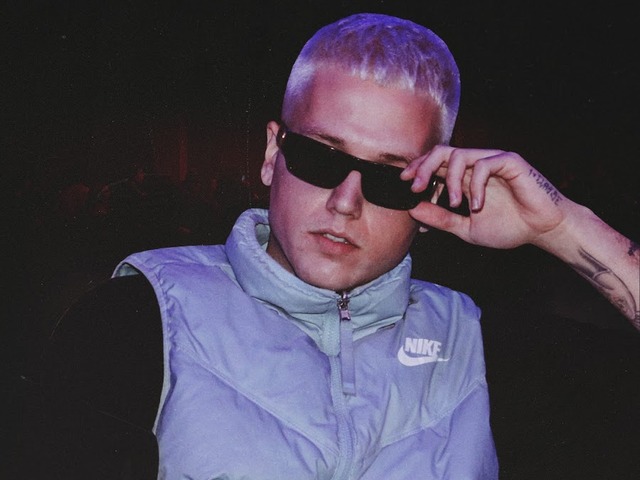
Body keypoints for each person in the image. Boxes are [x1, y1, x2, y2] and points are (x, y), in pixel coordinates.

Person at [36, 12, 639, 480]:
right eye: (321, 158)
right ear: (272, 154)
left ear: (432, 192)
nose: (346, 201)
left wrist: (564, 228)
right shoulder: (137, 321)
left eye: (389, 179)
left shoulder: (475, 347)